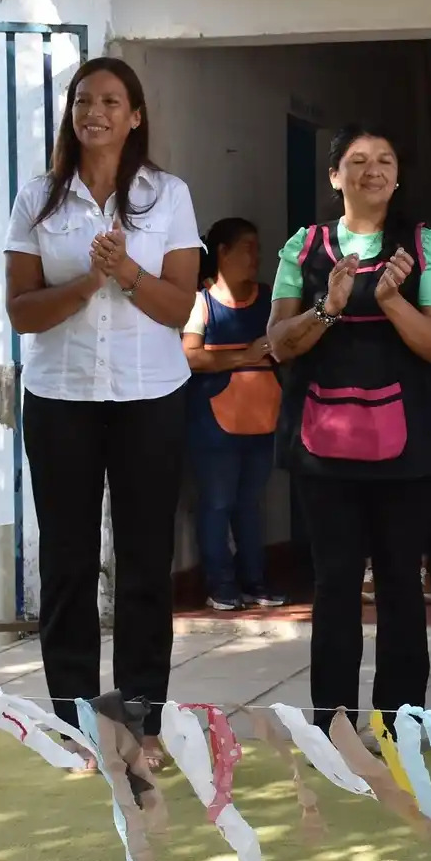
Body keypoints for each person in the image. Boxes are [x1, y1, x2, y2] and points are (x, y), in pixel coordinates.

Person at [4, 57, 201, 773]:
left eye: (112, 101)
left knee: (147, 560)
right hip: (61, 399)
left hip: (151, 396)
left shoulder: (166, 195)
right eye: (84, 100)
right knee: (67, 561)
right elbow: (22, 311)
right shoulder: (38, 200)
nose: (96, 112)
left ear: (135, 115)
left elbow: (179, 306)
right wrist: (90, 279)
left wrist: (128, 271)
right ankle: (76, 723)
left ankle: (142, 722)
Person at [266, 124, 431, 731]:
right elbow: (278, 344)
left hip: (409, 447)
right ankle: (333, 724)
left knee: (401, 581)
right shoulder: (304, 247)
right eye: (356, 160)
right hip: (323, 446)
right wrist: (330, 306)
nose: (371, 170)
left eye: (384, 159)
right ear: (334, 176)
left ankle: (402, 724)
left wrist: (392, 299)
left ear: (398, 176)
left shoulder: (429, 247)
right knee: (336, 584)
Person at [183, 217, 284, 612]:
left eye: (256, 248)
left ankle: (255, 581)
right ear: (221, 253)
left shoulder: (270, 299)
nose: (254, 256)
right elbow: (189, 357)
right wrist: (245, 355)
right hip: (213, 425)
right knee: (217, 503)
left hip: (263, 419)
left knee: (250, 505)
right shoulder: (200, 302)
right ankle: (221, 585)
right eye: (246, 247)